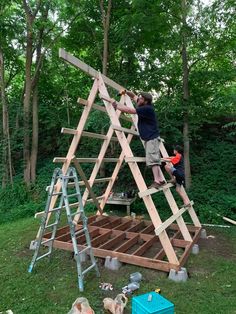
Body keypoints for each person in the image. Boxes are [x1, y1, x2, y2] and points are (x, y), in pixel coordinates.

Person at [111, 90, 165, 189]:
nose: (138, 99)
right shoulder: (143, 104)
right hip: (150, 138)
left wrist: (116, 105)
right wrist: (126, 92)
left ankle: (157, 181)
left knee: (153, 160)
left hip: (151, 138)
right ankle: (160, 180)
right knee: (154, 159)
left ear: (145, 101)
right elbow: (134, 96)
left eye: (140, 98)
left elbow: (129, 110)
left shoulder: (146, 109)